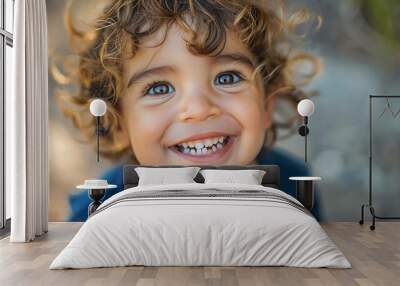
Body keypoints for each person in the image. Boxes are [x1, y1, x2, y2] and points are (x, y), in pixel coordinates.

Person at [57, 0, 322, 221]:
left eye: (227, 78)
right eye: (159, 88)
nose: (199, 109)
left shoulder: (295, 187)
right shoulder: (98, 209)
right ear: (119, 125)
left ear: (267, 103)